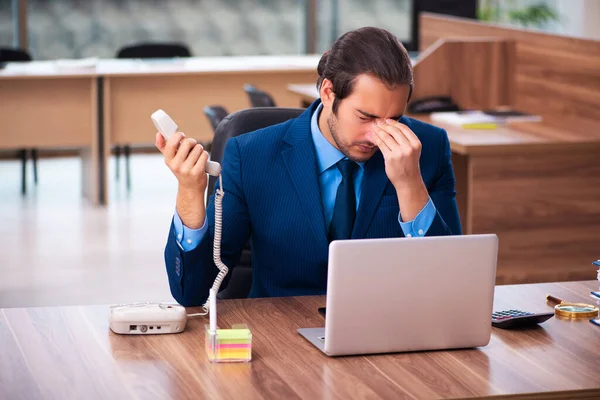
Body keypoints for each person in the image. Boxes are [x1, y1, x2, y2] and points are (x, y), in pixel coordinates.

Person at [155, 27, 462, 306]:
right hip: (281, 339)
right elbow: (191, 292)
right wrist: (190, 196)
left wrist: (410, 187)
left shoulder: (427, 148)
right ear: (328, 92)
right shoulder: (251, 155)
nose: (377, 136)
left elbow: (451, 286)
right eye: (365, 117)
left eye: (393, 120)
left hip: (388, 336)